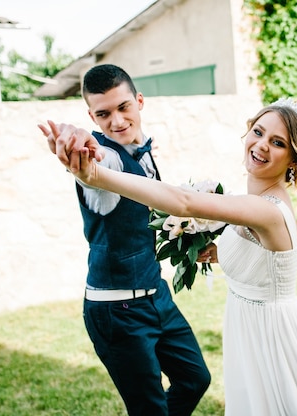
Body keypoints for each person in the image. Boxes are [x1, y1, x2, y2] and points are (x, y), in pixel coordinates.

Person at [43, 98, 297, 415]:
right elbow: (252, 250)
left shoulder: (267, 209)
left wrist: (94, 176)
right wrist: (215, 251)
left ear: (294, 160)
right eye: (258, 132)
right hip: (249, 326)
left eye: (277, 142)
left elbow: (184, 202)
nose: (262, 145)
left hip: (274, 336)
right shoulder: (254, 202)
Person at [38, 64, 210, 416]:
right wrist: (77, 148)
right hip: (117, 310)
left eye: (123, 108)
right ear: (92, 116)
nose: (116, 121)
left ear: (139, 101)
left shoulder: (139, 151)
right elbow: (94, 166)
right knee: (149, 409)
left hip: (156, 294)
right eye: (103, 114)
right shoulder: (104, 158)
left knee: (195, 378)